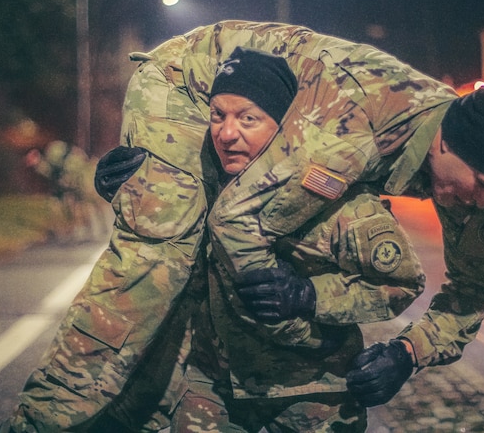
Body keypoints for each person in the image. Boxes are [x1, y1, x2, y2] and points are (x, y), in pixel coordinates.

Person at [0, 20, 484, 431]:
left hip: (276, 110)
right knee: (166, 248)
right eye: (480, 184)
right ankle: (48, 412)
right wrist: (154, 185)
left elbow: (473, 293)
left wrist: (408, 353)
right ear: (447, 140)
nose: (479, 203)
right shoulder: (349, 129)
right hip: (188, 82)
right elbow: (237, 218)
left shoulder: (477, 186)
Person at [171, 46, 427, 432]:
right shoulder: (202, 184)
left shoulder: (338, 201)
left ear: (283, 128)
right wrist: (128, 184)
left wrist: (310, 294)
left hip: (312, 395)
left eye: (248, 118)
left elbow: (400, 284)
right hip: (213, 385)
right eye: (217, 116)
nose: (226, 133)